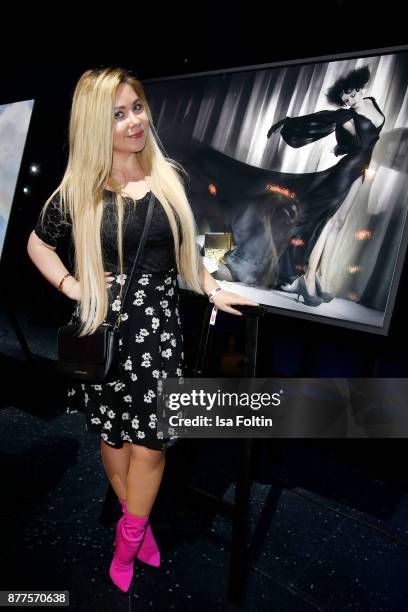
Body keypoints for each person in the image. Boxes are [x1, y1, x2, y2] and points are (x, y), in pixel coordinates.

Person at [26, 67, 258, 593]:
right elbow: (37, 244)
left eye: (137, 107)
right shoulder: (80, 188)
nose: (135, 120)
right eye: (118, 113)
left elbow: (187, 252)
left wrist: (213, 288)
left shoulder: (168, 177)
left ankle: (128, 539)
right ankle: (139, 523)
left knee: (152, 444)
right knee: (113, 433)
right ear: (94, 123)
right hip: (104, 329)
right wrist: (70, 285)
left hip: (158, 331)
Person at [267, 66, 385, 306]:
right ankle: (308, 278)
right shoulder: (346, 115)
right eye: (345, 98)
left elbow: (362, 143)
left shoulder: (372, 103)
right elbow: (318, 120)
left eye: (352, 95)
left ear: (361, 88)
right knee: (329, 222)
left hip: (361, 172)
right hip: (347, 172)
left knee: (338, 224)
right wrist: (286, 123)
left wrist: (345, 146)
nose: (349, 100)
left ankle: (317, 276)